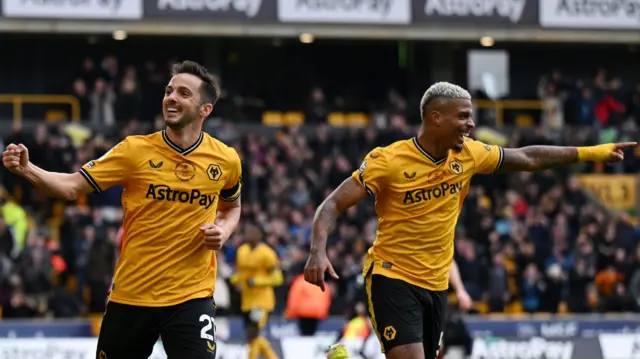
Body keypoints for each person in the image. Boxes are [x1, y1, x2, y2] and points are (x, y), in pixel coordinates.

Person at [306, 81, 636, 359]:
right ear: (436, 118)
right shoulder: (388, 162)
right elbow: (333, 203)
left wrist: (591, 152)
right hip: (393, 276)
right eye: (463, 116)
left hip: (436, 285)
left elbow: (527, 157)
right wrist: (318, 252)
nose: (471, 124)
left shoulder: (469, 155)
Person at [2, 60, 242, 359]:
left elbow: (232, 208)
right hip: (132, 294)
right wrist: (28, 171)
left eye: (183, 93)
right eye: (169, 91)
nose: (171, 98)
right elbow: (72, 187)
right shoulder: (134, 151)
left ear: (205, 109)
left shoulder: (226, 160)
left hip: (191, 296)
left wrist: (223, 230)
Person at [231, 223, 282, 359]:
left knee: (252, 333)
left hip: (261, 302)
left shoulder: (267, 253)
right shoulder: (241, 251)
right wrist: (234, 280)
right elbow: (241, 274)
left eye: (253, 231)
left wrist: (257, 281)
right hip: (246, 301)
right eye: (248, 231)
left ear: (259, 235)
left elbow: (277, 278)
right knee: (254, 336)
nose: (249, 234)